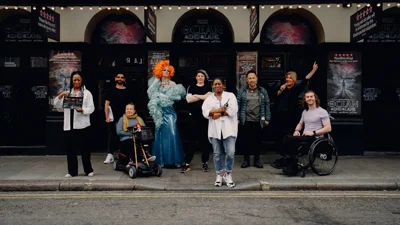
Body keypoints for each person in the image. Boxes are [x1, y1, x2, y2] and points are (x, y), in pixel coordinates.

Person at [271, 90, 331, 175]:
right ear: (305, 100)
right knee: (288, 138)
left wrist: (313, 132)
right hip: (305, 136)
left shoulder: (322, 112)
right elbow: (300, 123)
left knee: (289, 139)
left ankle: (287, 162)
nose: (309, 98)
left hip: (315, 138)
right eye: (307, 97)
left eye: (311, 96)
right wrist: (297, 131)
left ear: (315, 98)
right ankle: (291, 164)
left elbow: (328, 128)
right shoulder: (305, 112)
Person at [271, 61, 318, 168]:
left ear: (294, 80)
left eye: (290, 78)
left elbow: (305, 80)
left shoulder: (296, 89)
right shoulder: (282, 88)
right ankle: (284, 157)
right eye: (287, 77)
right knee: (280, 138)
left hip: (291, 118)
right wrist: (280, 90)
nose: (288, 79)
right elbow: (275, 98)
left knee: (290, 138)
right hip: (280, 117)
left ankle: (289, 158)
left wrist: (313, 70)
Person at [53, 71, 95, 178]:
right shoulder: (67, 92)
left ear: (82, 81)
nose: (76, 82)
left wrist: (83, 110)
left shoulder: (87, 93)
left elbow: (91, 108)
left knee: (85, 149)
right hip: (69, 125)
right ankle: (72, 171)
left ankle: (88, 170)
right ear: (72, 81)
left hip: (82, 125)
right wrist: (61, 95)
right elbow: (56, 105)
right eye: (75, 80)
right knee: (70, 150)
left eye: (78, 80)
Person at [147, 60, 186, 167]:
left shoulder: (173, 84)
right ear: (160, 71)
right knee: (159, 135)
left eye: (168, 71)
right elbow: (150, 94)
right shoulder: (156, 84)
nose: (166, 72)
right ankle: (161, 161)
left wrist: (166, 97)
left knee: (172, 133)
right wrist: (156, 81)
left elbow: (179, 97)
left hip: (169, 113)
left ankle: (173, 160)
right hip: (159, 113)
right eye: (164, 70)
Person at [202, 78, 238, 188]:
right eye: (215, 84)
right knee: (217, 154)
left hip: (229, 129)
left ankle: (228, 174)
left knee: (230, 152)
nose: (217, 86)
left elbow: (233, 110)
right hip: (215, 130)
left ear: (223, 85)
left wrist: (219, 114)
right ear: (212, 86)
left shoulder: (230, 96)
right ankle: (219, 174)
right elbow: (205, 112)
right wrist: (219, 110)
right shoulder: (209, 98)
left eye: (219, 84)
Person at [237, 70, 271, 169]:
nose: (252, 80)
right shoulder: (242, 91)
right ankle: (246, 160)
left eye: (253, 78)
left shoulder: (262, 91)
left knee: (257, 141)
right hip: (246, 119)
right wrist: (238, 118)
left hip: (258, 120)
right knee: (245, 141)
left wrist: (267, 118)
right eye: (250, 78)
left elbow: (267, 104)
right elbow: (238, 105)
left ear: (257, 79)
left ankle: (257, 160)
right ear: (247, 80)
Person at [182, 69, 213, 173]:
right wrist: (202, 97)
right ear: (196, 77)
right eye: (198, 76)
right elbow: (188, 100)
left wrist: (196, 96)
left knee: (205, 142)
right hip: (193, 118)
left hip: (204, 118)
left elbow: (208, 97)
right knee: (191, 141)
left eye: (202, 76)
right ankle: (186, 163)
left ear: (205, 78)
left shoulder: (208, 87)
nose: (200, 77)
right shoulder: (191, 87)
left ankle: (205, 163)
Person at [104, 73, 134, 164]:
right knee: (111, 135)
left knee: (124, 134)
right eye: (118, 77)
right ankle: (110, 154)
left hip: (125, 116)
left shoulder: (128, 91)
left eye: (122, 77)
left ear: (124, 79)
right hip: (113, 116)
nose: (120, 79)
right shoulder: (110, 90)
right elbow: (106, 104)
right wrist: (107, 117)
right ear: (115, 78)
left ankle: (123, 154)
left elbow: (131, 105)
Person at [116, 103, 155, 168]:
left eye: (131, 109)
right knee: (130, 143)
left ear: (134, 111)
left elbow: (144, 130)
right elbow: (119, 132)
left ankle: (146, 156)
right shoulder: (122, 119)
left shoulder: (139, 119)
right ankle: (131, 160)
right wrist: (131, 134)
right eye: (127, 109)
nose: (129, 110)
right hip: (126, 138)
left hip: (138, 138)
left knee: (147, 142)